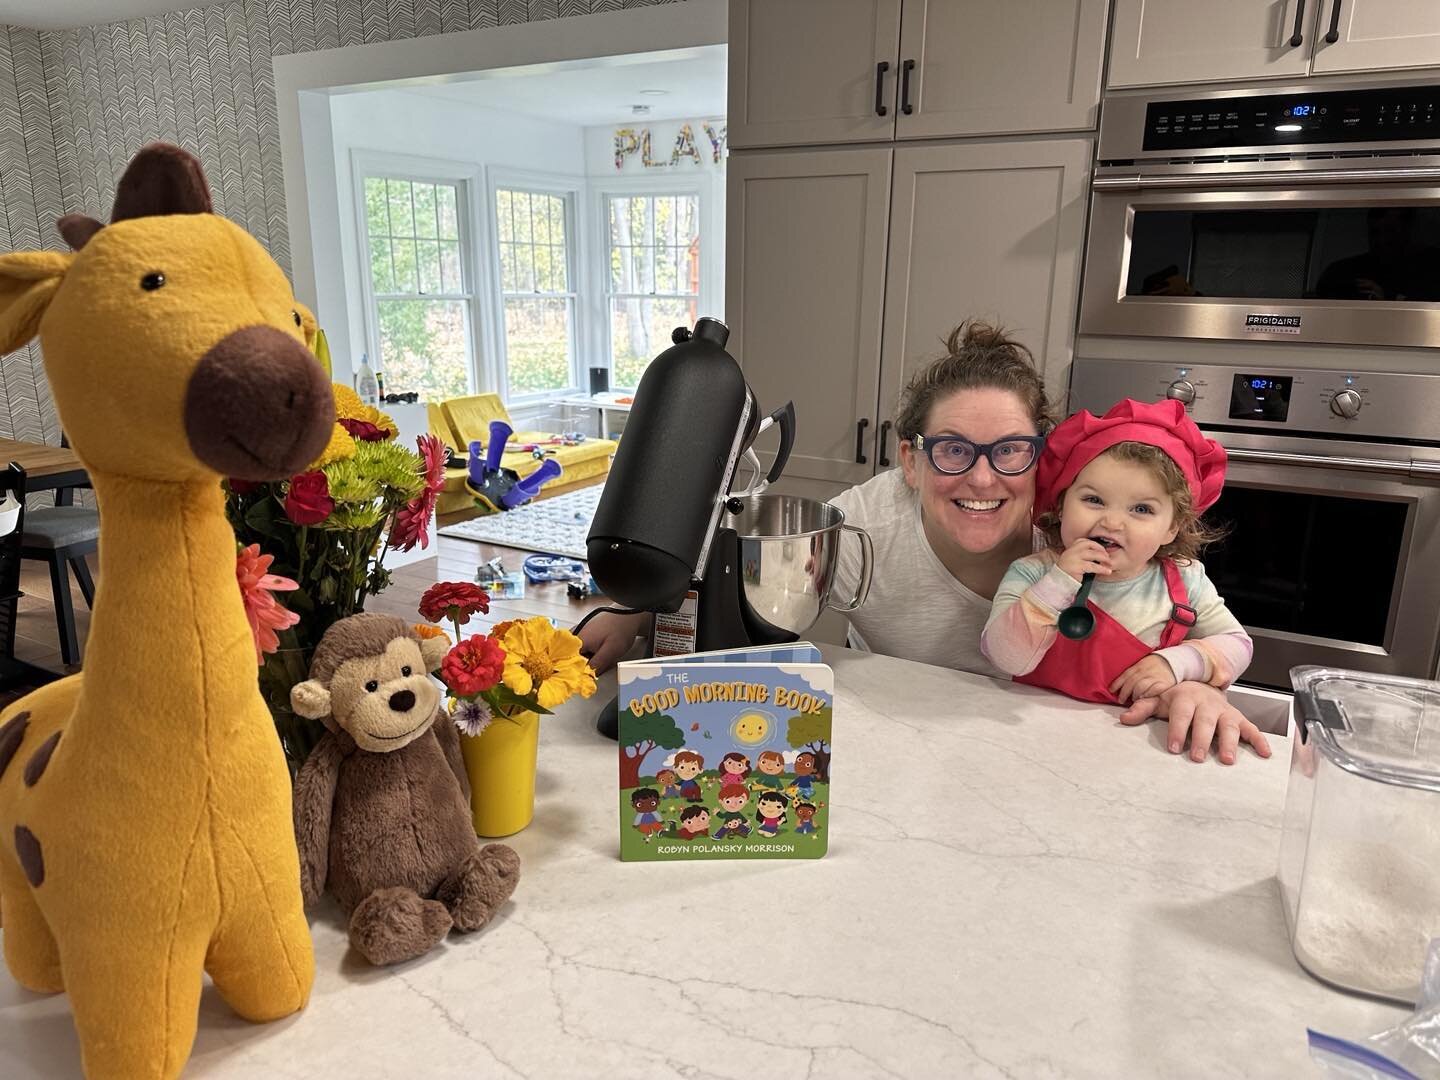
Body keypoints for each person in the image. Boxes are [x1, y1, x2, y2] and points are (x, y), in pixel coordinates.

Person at [579, 321, 1270, 765]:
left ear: (1046, 460)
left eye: (1010, 451)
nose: (980, 477)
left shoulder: (1096, 528)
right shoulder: (861, 528)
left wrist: (1200, 683)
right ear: (910, 461)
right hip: (913, 761)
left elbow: (1192, 633)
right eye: (950, 450)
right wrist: (643, 609)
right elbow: (750, 567)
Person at [980, 398, 1252, 709]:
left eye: (1141, 509)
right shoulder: (1031, 573)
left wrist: (1176, 663)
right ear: (1061, 505)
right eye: (1094, 499)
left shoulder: (1186, 582)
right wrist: (1058, 584)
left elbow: (1238, 645)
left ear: (1172, 528)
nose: (1112, 522)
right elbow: (1006, 658)